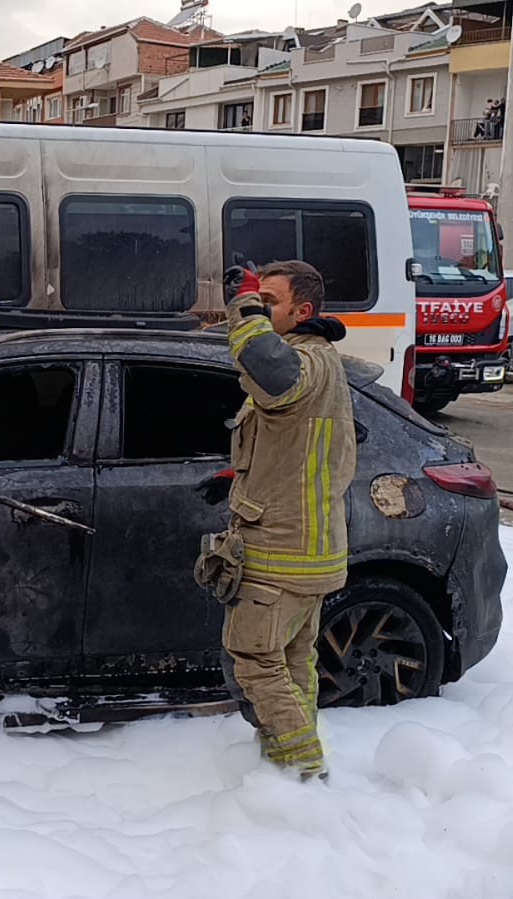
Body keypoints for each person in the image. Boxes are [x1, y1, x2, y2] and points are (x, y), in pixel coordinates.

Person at [208, 260, 356, 781]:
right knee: (293, 663)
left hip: (282, 554)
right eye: (260, 300)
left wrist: (243, 306)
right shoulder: (318, 363)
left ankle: (303, 771)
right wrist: (238, 475)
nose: (261, 308)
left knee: (254, 659)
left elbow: (269, 368)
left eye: (271, 301)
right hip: (308, 551)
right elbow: (289, 445)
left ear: (304, 310)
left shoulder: (306, 362)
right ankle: (288, 763)